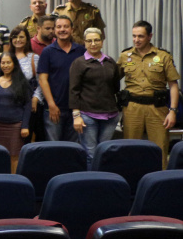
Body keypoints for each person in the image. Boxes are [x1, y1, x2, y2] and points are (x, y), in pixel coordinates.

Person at [119, 20, 180, 164]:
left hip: (157, 108)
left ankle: (161, 182)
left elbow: (173, 85)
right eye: (134, 36)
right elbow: (111, 79)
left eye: (140, 36)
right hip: (133, 108)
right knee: (130, 149)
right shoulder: (125, 56)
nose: (136, 40)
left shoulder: (163, 56)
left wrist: (173, 111)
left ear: (149, 36)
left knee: (159, 149)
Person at [68, 28, 122, 168]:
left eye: (96, 40)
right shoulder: (79, 63)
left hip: (110, 116)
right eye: (89, 41)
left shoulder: (110, 62)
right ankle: (92, 184)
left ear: (102, 42)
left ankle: (103, 182)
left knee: (104, 152)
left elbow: (115, 87)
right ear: (84, 43)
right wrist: (76, 116)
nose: (93, 43)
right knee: (90, 154)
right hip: (87, 116)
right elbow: (74, 90)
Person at [38, 15, 86, 142]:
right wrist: (51, 104)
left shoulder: (81, 51)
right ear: (54, 30)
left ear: (72, 29)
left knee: (73, 148)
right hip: (54, 108)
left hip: (76, 109)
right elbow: (43, 80)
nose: (62, 29)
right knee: (54, 148)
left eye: (66, 26)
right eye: (59, 27)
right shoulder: (47, 52)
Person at [0, 54, 32, 168]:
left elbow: (28, 105)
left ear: (14, 64)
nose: (5, 65)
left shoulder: (22, 82)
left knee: (14, 156)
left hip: (15, 126)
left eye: (8, 62)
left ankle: (13, 182)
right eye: (3, 63)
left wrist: (25, 126)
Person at [8, 26, 44, 143]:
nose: (18, 40)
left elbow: (41, 82)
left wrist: (35, 98)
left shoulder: (34, 58)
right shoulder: (5, 57)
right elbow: (0, 80)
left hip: (30, 105)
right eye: (15, 37)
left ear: (27, 39)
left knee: (29, 138)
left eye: (21, 37)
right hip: (10, 105)